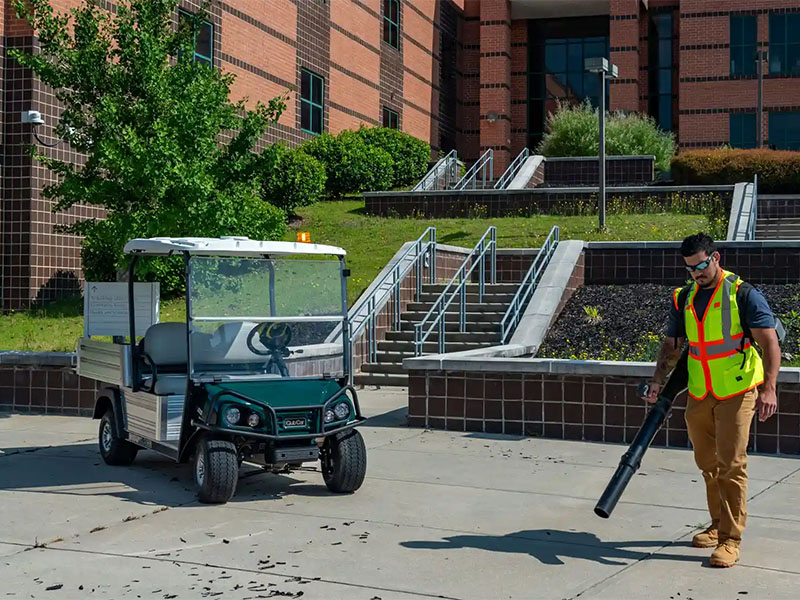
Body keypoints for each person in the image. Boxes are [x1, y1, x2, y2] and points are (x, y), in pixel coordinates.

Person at [645, 233, 780, 568]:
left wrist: (769, 389)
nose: (696, 273)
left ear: (715, 257)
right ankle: (718, 523)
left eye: (701, 265)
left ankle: (731, 540)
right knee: (708, 464)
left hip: (737, 391)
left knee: (732, 465)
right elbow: (672, 346)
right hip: (700, 392)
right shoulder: (684, 297)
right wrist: (658, 382)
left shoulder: (743, 294)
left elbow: (770, 343)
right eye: (690, 268)